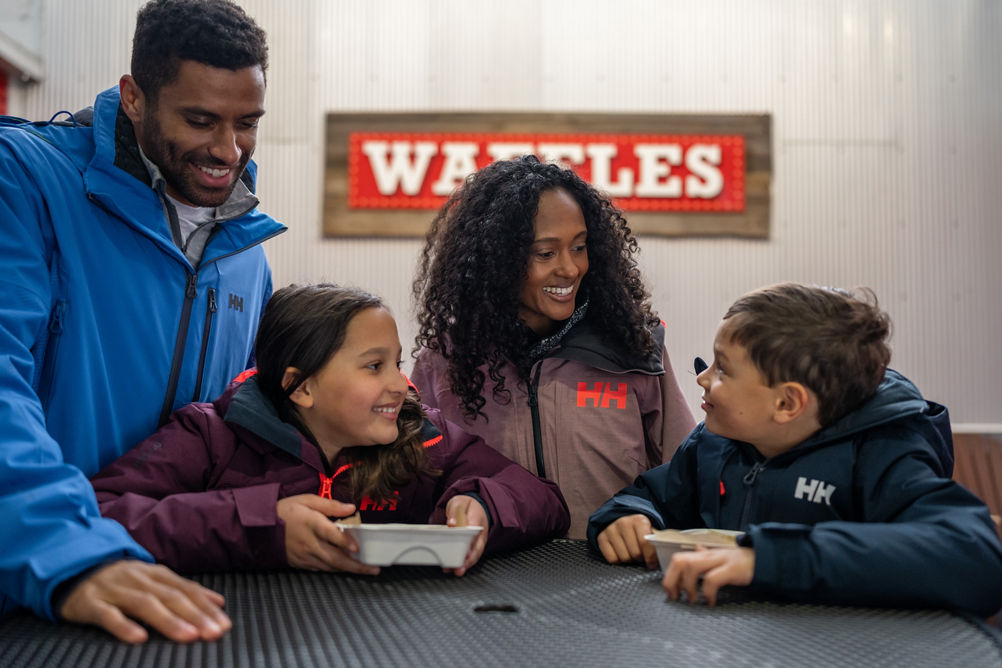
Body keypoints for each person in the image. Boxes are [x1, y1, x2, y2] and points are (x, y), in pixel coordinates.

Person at [0, 0, 283, 643]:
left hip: (159, 593)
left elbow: (240, 426)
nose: (227, 149)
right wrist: (64, 548)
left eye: (248, 123)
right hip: (38, 582)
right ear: (134, 97)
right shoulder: (23, 181)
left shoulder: (246, 252)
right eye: (201, 120)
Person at [90, 283, 570, 577]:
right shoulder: (211, 436)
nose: (400, 386)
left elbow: (544, 501)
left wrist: (484, 506)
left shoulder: (425, 437)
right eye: (373, 366)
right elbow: (96, 516)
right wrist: (261, 528)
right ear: (300, 387)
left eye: (396, 364)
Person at [588, 283, 1002, 617]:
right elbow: (656, 495)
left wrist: (769, 561)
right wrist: (628, 514)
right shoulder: (716, 441)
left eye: (723, 368)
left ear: (787, 404)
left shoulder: (884, 452)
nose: (703, 379)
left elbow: (974, 557)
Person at [410, 155, 695, 539]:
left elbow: (686, 476)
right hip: (485, 584)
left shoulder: (634, 346)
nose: (570, 268)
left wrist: (644, 516)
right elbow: (416, 487)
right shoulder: (445, 360)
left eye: (579, 247)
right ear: (497, 261)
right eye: (546, 253)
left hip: (612, 584)